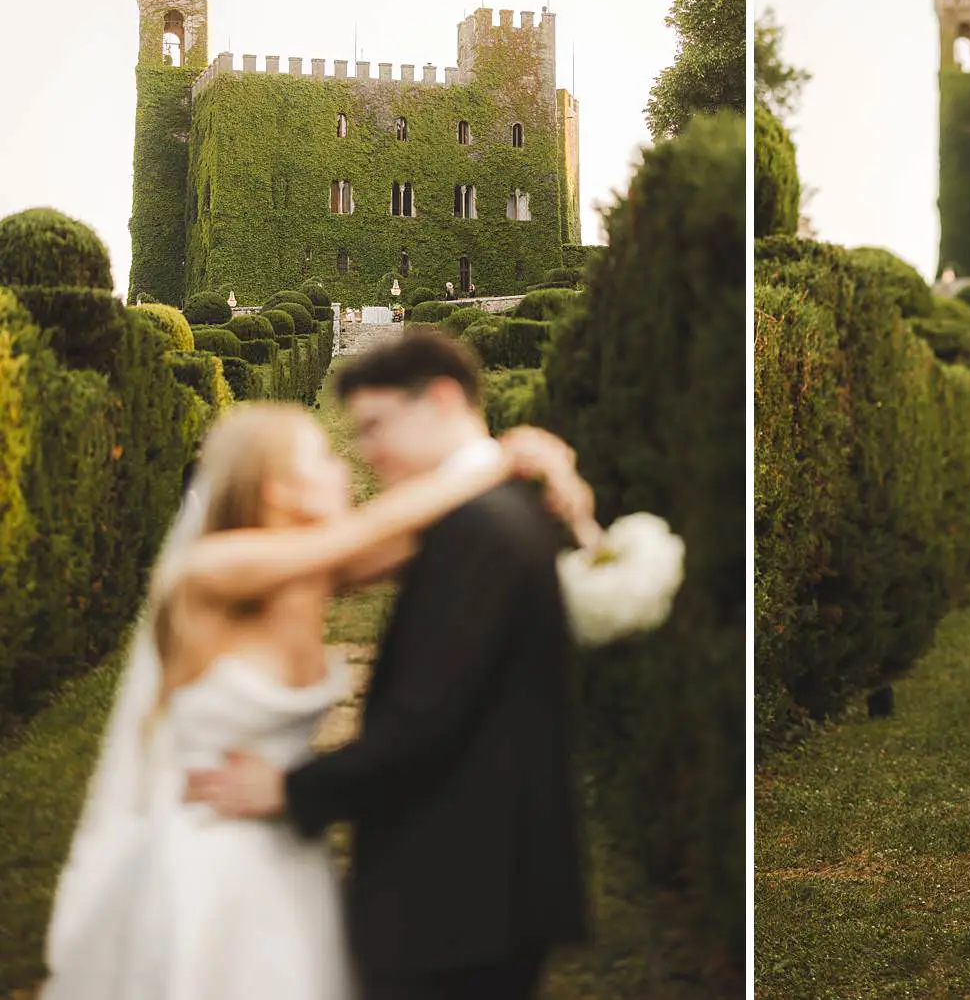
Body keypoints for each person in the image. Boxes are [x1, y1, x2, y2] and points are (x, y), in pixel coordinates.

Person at [42, 375, 593, 1000]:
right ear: (277, 489)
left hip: (286, 848)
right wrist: (490, 461)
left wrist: (548, 477)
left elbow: (464, 535)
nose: (350, 461)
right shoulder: (212, 570)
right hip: (210, 852)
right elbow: (366, 533)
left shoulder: (312, 571)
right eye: (325, 457)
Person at [186, 330, 591, 999]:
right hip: (465, 885)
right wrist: (509, 461)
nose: (366, 453)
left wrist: (291, 790)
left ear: (441, 400)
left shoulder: (480, 526)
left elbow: (426, 719)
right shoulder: (478, 512)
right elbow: (354, 552)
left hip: (463, 891)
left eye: (375, 426)